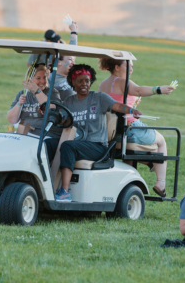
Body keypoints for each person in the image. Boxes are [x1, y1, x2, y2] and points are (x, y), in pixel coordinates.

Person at [55, 64, 143, 202]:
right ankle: (46, 185)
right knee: (47, 143)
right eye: (80, 81)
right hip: (79, 143)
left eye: (87, 81)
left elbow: (118, 106)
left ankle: (64, 191)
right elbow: (62, 118)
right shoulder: (69, 101)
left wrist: (131, 111)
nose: (84, 84)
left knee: (68, 146)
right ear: (73, 82)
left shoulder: (99, 98)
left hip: (97, 146)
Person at [98, 58, 176, 197]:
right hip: (129, 129)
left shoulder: (103, 84)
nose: (132, 69)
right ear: (116, 67)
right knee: (161, 141)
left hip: (111, 132)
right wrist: (159, 90)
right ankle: (160, 183)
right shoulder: (121, 81)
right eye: (129, 66)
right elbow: (139, 90)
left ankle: (141, 171)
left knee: (133, 152)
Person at [7, 64, 61, 160]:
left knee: (35, 150)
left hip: (47, 136)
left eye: (44, 78)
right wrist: (19, 104)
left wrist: (37, 91)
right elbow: (11, 120)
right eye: (38, 78)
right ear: (30, 80)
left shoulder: (52, 92)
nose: (42, 81)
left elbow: (52, 109)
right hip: (26, 134)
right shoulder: (23, 93)